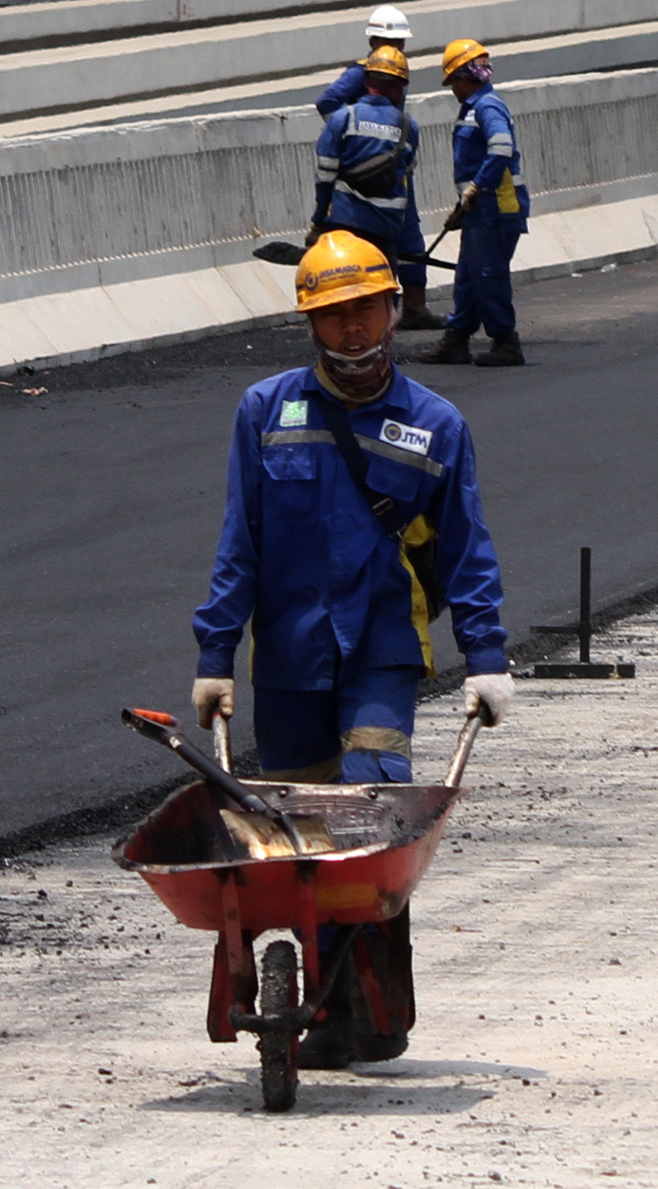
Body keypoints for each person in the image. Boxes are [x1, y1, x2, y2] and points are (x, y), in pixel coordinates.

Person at [186, 232, 509, 1069]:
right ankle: (315, 1005)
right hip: (288, 660)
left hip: (380, 654)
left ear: (395, 307)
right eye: (334, 315)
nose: (353, 330)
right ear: (310, 324)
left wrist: (486, 657)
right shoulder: (266, 412)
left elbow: (467, 551)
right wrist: (214, 655)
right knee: (295, 842)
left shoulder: (437, 424)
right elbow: (240, 544)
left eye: (366, 308)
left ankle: (371, 1011)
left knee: (366, 821)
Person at [313, 45, 433, 328]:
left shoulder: (344, 119)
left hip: (346, 222)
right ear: (400, 88)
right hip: (386, 226)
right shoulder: (407, 126)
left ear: (367, 83)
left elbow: (325, 174)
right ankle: (382, 339)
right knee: (382, 288)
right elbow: (406, 178)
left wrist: (319, 219)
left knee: (343, 283)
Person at [432, 38, 528, 370]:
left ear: (464, 76)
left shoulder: (487, 106)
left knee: (488, 275)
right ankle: (456, 339)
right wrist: (464, 202)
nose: (452, 89)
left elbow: (501, 148)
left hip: (496, 209)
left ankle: (506, 342)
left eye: (453, 81)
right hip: (480, 209)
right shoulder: (473, 106)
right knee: (469, 276)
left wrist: (476, 187)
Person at [313, 4, 416, 120]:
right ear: (372, 43)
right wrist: (348, 129)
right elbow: (326, 102)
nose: (395, 47)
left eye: (399, 41)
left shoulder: (400, 70)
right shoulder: (359, 72)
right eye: (388, 41)